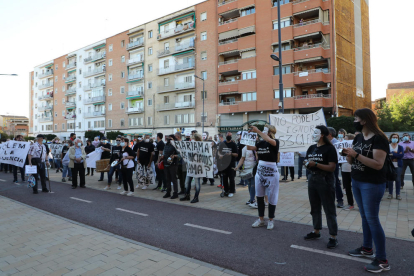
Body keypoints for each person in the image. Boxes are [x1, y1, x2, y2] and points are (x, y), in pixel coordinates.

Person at [343, 108, 390, 273]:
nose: (354, 121)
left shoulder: (379, 139)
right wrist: (349, 155)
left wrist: (355, 155)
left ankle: (382, 260)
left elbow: (378, 164)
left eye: (356, 118)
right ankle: (367, 248)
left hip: (372, 183)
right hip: (357, 180)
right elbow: (352, 159)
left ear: (364, 120)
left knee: (372, 219)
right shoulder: (359, 137)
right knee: (364, 217)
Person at [303, 125, 339, 249]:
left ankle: (333, 236)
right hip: (312, 179)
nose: (313, 134)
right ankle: (316, 231)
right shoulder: (312, 148)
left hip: (325, 180)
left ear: (322, 135)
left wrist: (316, 164)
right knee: (314, 207)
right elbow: (308, 162)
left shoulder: (330, 148)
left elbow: (332, 167)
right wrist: (307, 164)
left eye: (315, 132)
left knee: (329, 209)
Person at [247, 125, 279, 230]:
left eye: (265, 130)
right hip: (260, 172)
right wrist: (249, 136)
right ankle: (261, 219)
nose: (262, 132)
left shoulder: (275, 142)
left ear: (269, 132)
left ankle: (270, 220)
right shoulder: (260, 143)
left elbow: (269, 140)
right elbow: (249, 147)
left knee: (272, 197)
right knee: (259, 196)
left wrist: (258, 131)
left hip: (271, 173)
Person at [180, 133, 203, 203]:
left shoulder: (200, 147)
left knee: (197, 183)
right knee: (187, 182)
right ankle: (187, 195)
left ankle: (196, 197)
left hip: (197, 167)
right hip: (190, 167)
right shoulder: (189, 147)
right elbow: (186, 156)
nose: (191, 140)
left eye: (193, 139)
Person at [235, 140, 257, 205]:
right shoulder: (244, 148)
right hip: (247, 168)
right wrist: (238, 166)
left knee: (253, 184)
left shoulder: (255, 147)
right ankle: (251, 199)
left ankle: (252, 199)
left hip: (254, 168)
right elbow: (242, 158)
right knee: (249, 184)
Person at [328, 126, 344, 208]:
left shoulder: (337, 143)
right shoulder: (324, 142)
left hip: (334, 164)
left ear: (330, 134)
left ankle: (340, 200)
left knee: (335, 181)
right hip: (325, 164)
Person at [218, 132, 238, 197]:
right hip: (224, 163)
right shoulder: (222, 144)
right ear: (225, 136)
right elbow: (218, 151)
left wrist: (231, 154)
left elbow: (236, 154)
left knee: (231, 178)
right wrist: (220, 155)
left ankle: (232, 190)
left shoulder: (233, 144)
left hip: (231, 163)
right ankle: (226, 190)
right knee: (225, 178)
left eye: (230, 135)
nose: (229, 136)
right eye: (228, 135)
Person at [163, 134, 180, 199]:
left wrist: (174, 156)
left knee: (173, 179)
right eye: (168, 138)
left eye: (171, 138)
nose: (169, 139)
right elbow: (164, 152)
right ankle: (168, 192)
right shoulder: (166, 145)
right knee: (167, 179)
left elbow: (180, 154)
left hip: (173, 164)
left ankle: (175, 193)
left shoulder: (175, 145)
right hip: (166, 163)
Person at [388, 133, 404, 200]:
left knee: (398, 179)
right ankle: (390, 193)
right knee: (390, 179)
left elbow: (401, 155)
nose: (395, 138)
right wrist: (396, 154)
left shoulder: (400, 147)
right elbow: (387, 155)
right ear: (391, 138)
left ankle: (398, 194)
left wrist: (393, 154)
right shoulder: (387, 146)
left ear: (398, 139)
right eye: (393, 137)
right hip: (390, 165)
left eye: (396, 137)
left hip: (398, 165)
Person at [341, 134, 355, 210]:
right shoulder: (342, 148)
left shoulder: (355, 148)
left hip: (353, 169)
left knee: (356, 188)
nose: (343, 140)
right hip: (344, 169)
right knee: (347, 187)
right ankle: (350, 204)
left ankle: (360, 205)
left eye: (345, 139)